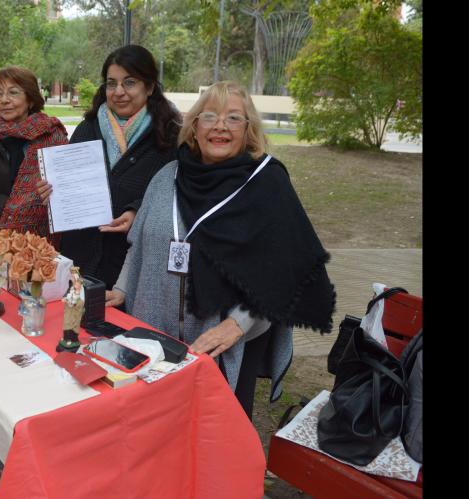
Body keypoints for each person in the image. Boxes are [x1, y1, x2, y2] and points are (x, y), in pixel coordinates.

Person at [105, 81, 335, 417]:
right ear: (194, 126)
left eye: (233, 118)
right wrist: (123, 288)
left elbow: (284, 269)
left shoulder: (266, 182)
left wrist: (238, 325)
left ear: (248, 129)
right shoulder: (167, 176)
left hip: (223, 339)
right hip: (154, 329)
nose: (220, 126)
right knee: (155, 423)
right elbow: (139, 243)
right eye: (209, 116)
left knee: (212, 433)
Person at [38, 45, 181, 289]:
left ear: (149, 87)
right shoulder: (88, 128)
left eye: (130, 82)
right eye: (111, 83)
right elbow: (69, 187)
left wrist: (136, 212)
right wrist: (53, 192)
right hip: (80, 258)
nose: (119, 92)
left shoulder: (169, 136)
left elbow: (174, 196)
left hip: (130, 266)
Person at [0, 66, 69, 241]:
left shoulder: (52, 137)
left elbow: (68, 185)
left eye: (13, 93)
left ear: (30, 100)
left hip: (44, 240)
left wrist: (51, 192)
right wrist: (5, 206)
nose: (4, 100)